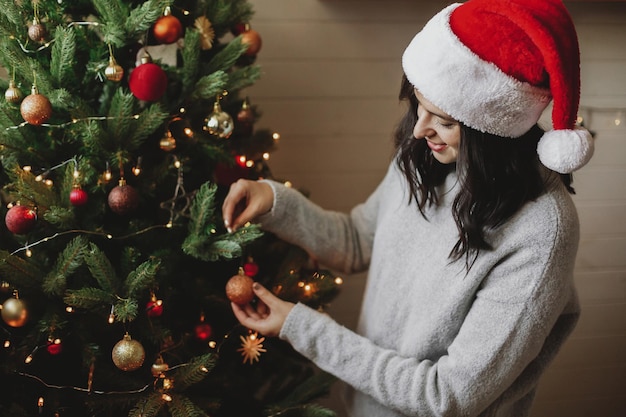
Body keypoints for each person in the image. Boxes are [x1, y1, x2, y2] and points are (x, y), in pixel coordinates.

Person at [222, 0, 594, 415]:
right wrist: (275, 202)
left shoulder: (542, 230)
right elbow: (357, 240)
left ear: (493, 129)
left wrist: (302, 329)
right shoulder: (423, 158)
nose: (419, 129)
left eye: (445, 121)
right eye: (419, 104)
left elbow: (447, 396)